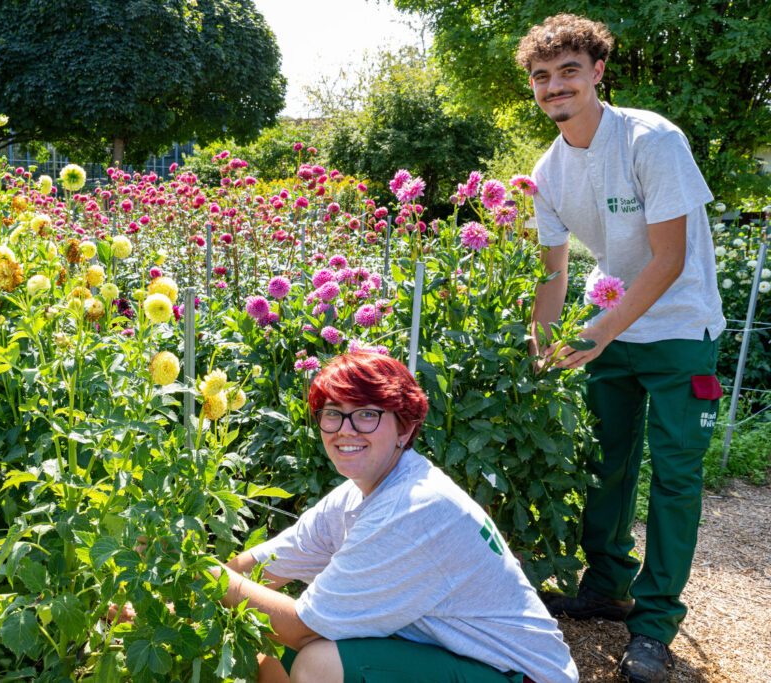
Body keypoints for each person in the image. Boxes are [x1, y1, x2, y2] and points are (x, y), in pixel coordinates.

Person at [518, 14, 726, 683]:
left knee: (674, 477)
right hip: (610, 329)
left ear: (598, 72)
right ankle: (607, 585)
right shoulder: (547, 171)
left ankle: (655, 623)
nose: (555, 86)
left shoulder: (650, 140)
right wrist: (540, 344)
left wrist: (598, 332)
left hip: (679, 329)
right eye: (542, 76)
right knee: (604, 464)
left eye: (569, 71)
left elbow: (669, 259)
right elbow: (554, 274)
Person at [207, 352, 578, 683]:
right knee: (276, 651)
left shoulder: (415, 506)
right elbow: (261, 566)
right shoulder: (361, 493)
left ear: (405, 428)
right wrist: (193, 590)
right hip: (466, 661)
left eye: (367, 414)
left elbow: (303, 627)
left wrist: (199, 573)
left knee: (318, 664)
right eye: (333, 413)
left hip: (519, 676)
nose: (345, 429)